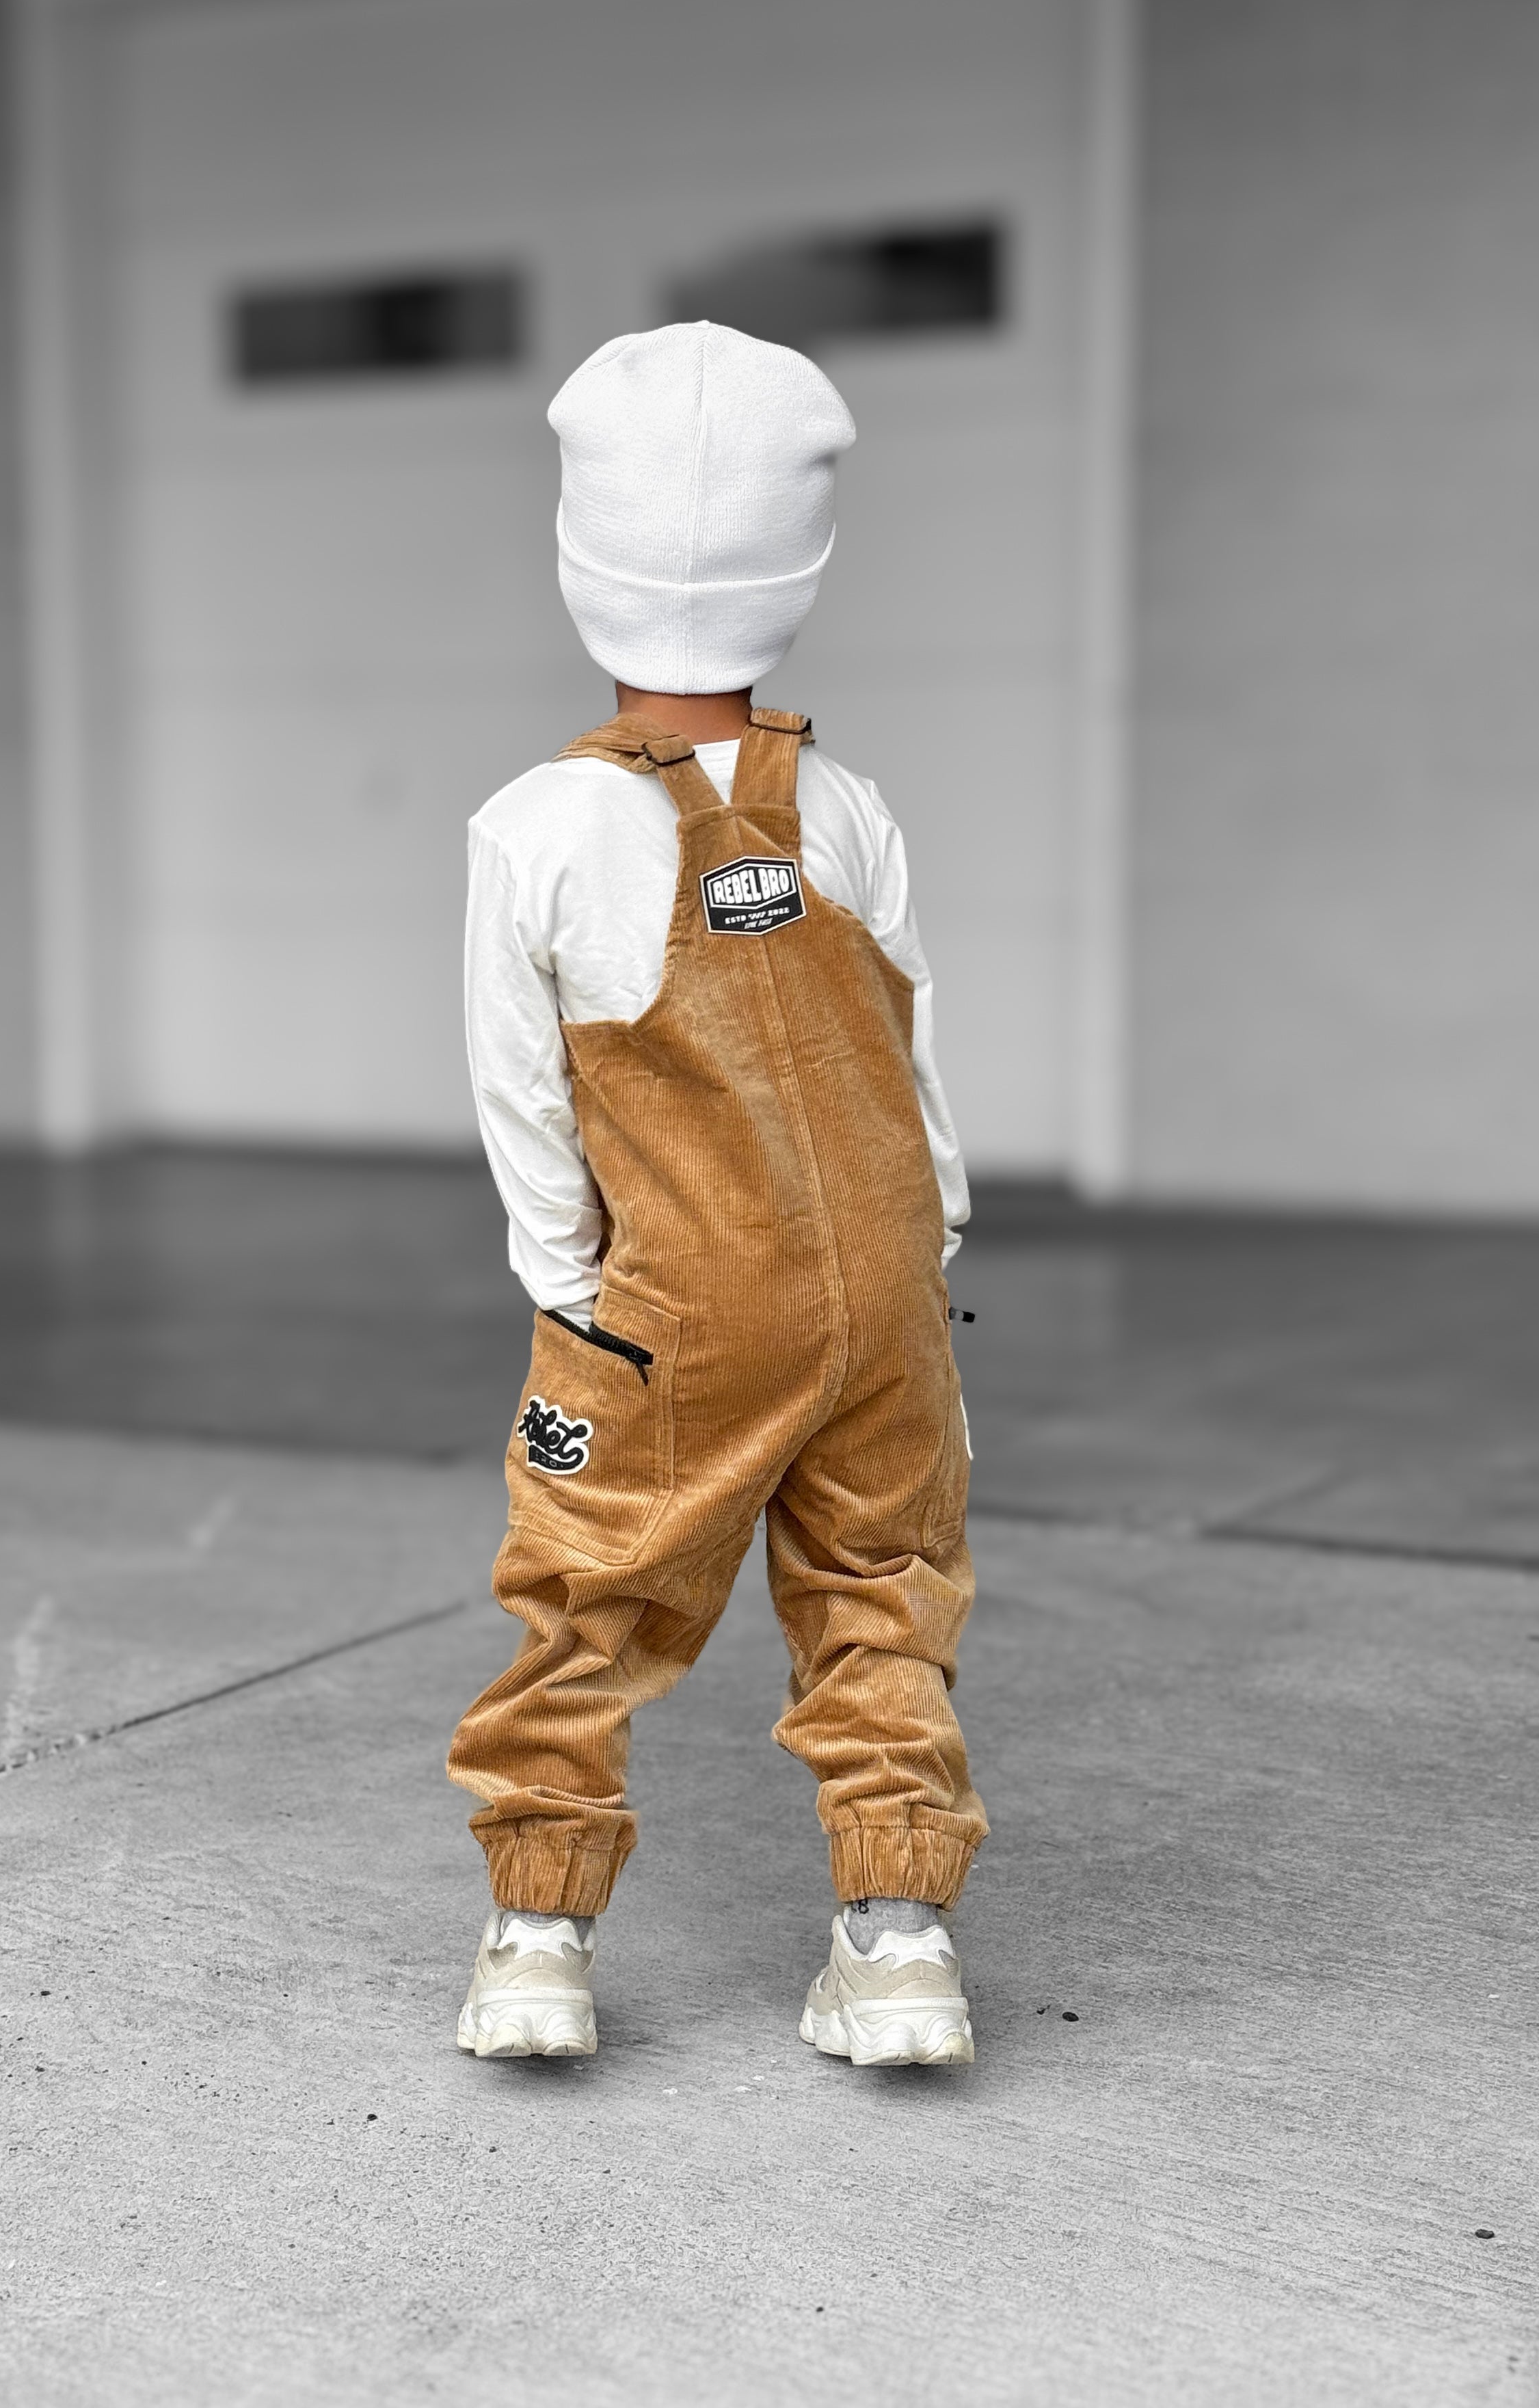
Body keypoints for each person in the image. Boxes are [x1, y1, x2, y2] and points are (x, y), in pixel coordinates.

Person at [447, 321, 985, 2066]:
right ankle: (897, 1944)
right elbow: (912, 1053)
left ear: (579, 562)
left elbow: (522, 1093)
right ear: (798, 574)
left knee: (588, 1595)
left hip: (673, 1298)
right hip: (883, 1291)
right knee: (884, 1585)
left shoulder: (535, 827)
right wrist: (925, 1247)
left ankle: (540, 1942)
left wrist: (568, 1282)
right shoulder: (849, 807)